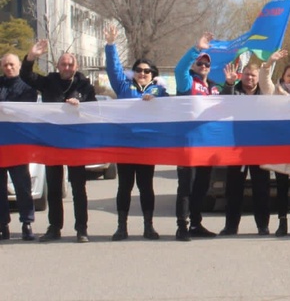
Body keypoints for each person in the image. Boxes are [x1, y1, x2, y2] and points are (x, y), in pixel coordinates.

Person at [20, 40, 97, 243]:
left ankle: (81, 229)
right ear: (58, 66)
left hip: (76, 143)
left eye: (70, 65)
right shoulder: (49, 82)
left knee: (79, 188)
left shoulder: (85, 86)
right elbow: (26, 76)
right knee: (54, 187)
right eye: (63, 64)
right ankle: (54, 227)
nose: (67, 68)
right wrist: (31, 57)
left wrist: (81, 106)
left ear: (76, 67)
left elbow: (95, 111)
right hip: (52, 142)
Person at [103, 25, 169, 241]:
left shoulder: (160, 92)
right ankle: (121, 227)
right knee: (124, 186)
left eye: (147, 71)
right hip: (125, 146)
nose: (142, 73)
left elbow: (173, 109)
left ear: (153, 74)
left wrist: (157, 101)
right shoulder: (124, 88)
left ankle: (148, 227)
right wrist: (111, 45)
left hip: (146, 147)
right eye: (139, 70)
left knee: (146, 187)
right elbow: (113, 70)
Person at [173, 32, 222, 241]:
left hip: (207, 144)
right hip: (187, 143)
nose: (203, 66)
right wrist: (196, 49)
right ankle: (181, 226)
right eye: (200, 63)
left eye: (206, 64)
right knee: (186, 186)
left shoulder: (213, 88)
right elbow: (179, 69)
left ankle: (196, 222)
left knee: (202, 186)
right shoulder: (187, 82)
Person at [259, 49, 290, 237]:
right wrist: (269, 61)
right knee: (280, 187)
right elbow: (263, 81)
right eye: (289, 76)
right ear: (283, 77)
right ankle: (282, 223)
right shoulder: (274, 93)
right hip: (279, 146)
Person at [219, 63, 271, 236]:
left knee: (261, 189)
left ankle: (263, 226)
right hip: (236, 148)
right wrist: (228, 84)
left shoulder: (266, 95)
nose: (250, 78)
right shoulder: (234, 91)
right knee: (234, 189)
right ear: (242, 75)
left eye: (253, 75)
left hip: (259, 148)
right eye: (247, 74)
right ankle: (231, 226)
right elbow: (222, 103)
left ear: (258, 77)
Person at [0, 52, 39, 241]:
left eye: (12, 64)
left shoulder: (27, 86)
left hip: (17, 144)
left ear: (18, 66)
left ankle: (27, 223)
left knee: (23, 187)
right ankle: (2, 226)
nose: (8, 68)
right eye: (5, 65)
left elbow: (28, 108)